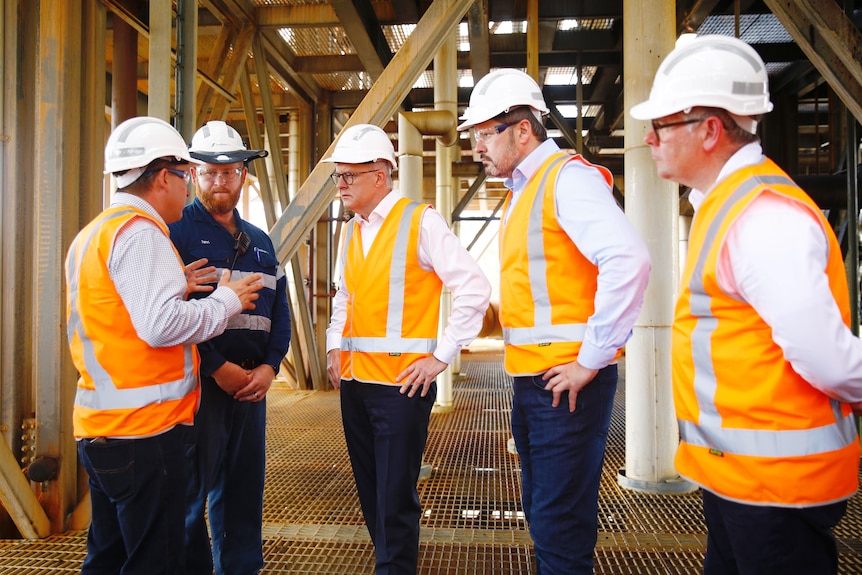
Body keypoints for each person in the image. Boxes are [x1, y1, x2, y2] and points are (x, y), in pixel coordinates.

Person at [630, 35, 862, 575]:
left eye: (661, 125)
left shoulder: (763, 219)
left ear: (710, 129)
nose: (647, 138)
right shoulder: (726, 206)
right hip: (742, 481)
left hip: (778, 487)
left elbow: (827, 359)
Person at [458, 69, 651, 575]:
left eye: (484, 133)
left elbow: (628, 261)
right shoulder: (525, 191)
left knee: (558, 523)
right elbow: (549, 295)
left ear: (522, 129)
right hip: (537, 381)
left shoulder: (567, 178)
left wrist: (591, 358)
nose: (478, 146)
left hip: (565, 383)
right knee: (549, 517)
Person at [65, 115, 264, 574]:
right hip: (145, 434)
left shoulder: (97, 233)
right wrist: (226, 301)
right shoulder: (142, 234)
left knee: (110, 557)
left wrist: (175, 282)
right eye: (184, 174)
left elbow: (119, 311)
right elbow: (159, 326)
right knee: (158, 559)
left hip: (103, 427)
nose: (188, 186)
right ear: (161, 178)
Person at [324, 123, 491, 575]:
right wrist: (332, 348)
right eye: (337, 176)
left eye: (348, 176)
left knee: (396, 494)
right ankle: (390, 564)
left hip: (400, 388)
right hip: (357, 383)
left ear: (380, 174)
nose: (340, 184)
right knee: (372, 490)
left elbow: (473, 287)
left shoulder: (421, 221)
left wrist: (441, 357)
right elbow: (345, 296)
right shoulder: (352, 231)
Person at [167, 120, 292, 575]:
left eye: (229, 171)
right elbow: (169, 316)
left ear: (244, 174)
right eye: (209, 172)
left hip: (252, 389)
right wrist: (216, 367)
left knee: (243, 490)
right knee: (189, 495)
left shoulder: (260, 242)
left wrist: (270, 369)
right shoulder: (176, 232)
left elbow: (281, 313)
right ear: (194, 175)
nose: (220, 180)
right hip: (201, 389)